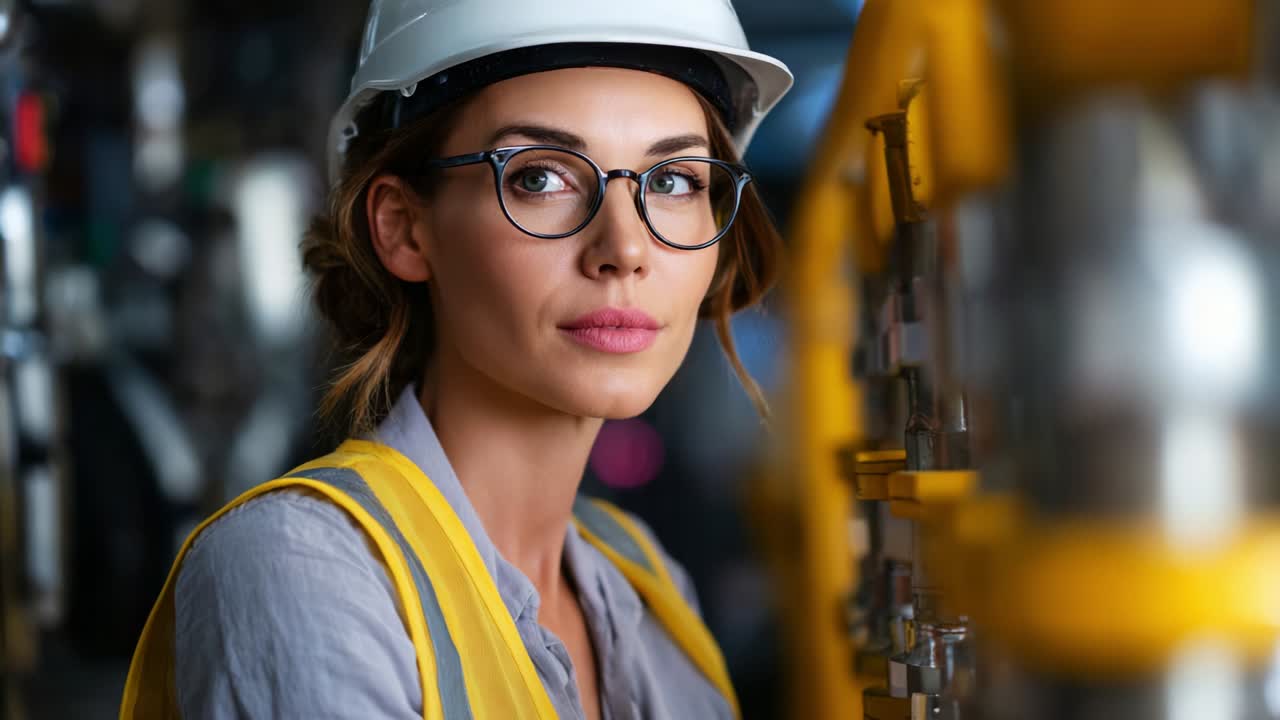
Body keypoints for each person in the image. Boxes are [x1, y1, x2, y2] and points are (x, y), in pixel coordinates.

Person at [120, 1, 791, 718]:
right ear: (404, 229)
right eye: (540, 177)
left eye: (673, 180)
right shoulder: (299, 567)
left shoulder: (646, 580)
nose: (624, 249)